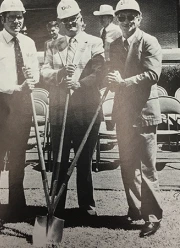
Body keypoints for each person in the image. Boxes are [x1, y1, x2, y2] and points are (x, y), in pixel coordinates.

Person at [41, 0, 104, 217]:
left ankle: (86, 205)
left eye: (73, 19)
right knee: (59, 160)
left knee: (83, 160)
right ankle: (57, 207)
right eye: (65, 21)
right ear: (61, 23)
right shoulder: (52, 45)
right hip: (60, 111)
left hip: (86, 110)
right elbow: (44, 72)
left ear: (80, 18)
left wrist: (80, 83)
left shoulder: (95, 42)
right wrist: (59, 75)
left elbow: (99, 73)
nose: (70, 24)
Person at [106, 0, 163, 237]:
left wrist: (123, 83)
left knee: (147, 168)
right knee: (128, 166)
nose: (127, 22)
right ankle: (135, 210)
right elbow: (114, 71)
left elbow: (153, 74)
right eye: (122, 17)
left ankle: (152, 217)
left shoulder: (149, 41)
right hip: (123, 114)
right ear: (117, 20)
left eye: (131, 17)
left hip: (144, 114)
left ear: (139, 18)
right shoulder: (115, 43)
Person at [0, 0, 39, 230]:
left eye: (20, 17)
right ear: (2, 19)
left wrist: (31, 80)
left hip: (22, 106)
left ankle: (17, 206)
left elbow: (34, 73)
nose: (17, 21)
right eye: (12, 17)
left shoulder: (29, 43)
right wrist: (15, 87)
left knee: (18, 159)